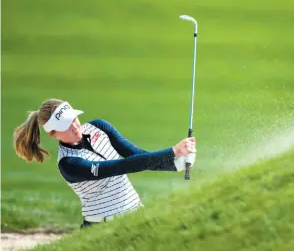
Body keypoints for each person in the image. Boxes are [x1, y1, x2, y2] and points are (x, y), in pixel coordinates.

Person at [13, 98, 196, 228]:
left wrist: (176, 163)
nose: (75, 126)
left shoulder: (99, 126)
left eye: (74, 119)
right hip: (103, 227)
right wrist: (172, 151)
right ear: (53, 134)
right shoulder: (69, 164)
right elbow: (121, 166)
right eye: (66, 126)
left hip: (136, 215)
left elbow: (136, 155)